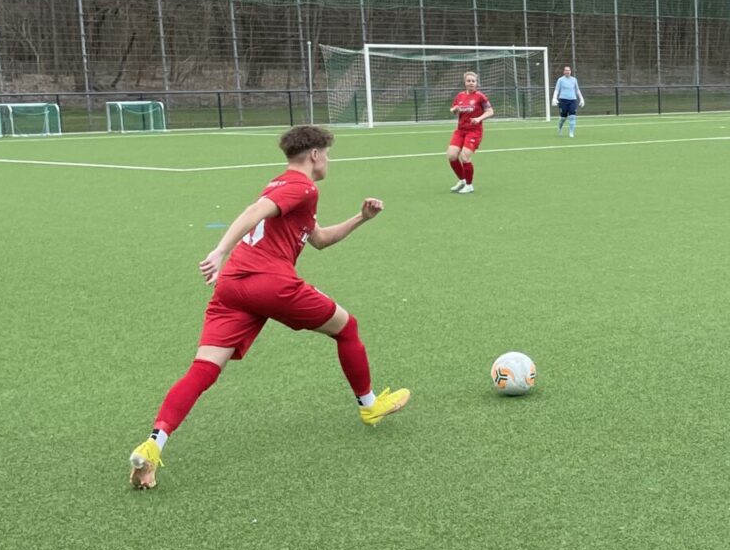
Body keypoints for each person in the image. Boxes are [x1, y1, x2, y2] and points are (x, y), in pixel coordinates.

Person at [129, 125, 407, 490]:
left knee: (203, 369)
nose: (329, 161)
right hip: (269, 281)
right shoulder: (303, 186)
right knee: (347, 327)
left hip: (233, 286)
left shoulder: (282, 185)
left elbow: (319, 240)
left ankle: (151, 447)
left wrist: (361, 219)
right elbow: (256, 210)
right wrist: (219, 249)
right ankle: (369, 405)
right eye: (328, 154)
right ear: (315, 155)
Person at [447, 71, 493, 193]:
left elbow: (490, 111)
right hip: (460, 130)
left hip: (474, 131)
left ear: (476, 83)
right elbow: (453, 109)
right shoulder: (460, 96)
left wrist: (478, 119)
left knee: (465, 156)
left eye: (473, 81)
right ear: (465, 82)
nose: (471, 83)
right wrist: (454, 109)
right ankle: (462, 180)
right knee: (452, 156)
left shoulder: (480, 96)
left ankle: (469, 185)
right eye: (469, 81)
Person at [554, 66, 583, 137]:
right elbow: (557, 90)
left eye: (569, 70)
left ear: (570, 71)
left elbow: (577, 90)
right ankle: (560, 128)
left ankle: (571, 132)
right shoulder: (560, 80)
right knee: (563, 118)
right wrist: (554, 98)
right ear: (564, 72)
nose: (567, 72)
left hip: (572, 100)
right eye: (566, 70)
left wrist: (581, 98)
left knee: (572, 116)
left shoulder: (574, 80)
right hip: (563, 100)